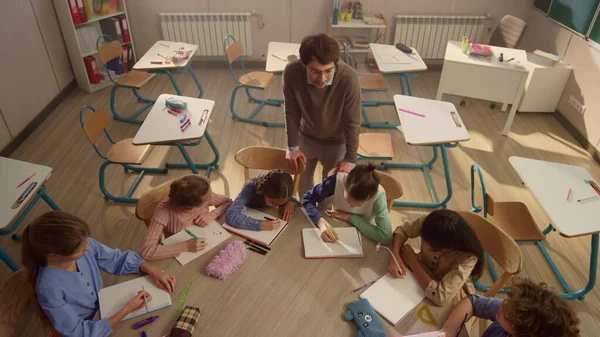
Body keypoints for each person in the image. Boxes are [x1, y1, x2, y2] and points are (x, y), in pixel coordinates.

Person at [22, 211, 176, 337]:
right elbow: (79, 332)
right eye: (80, 250)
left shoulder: (84, 244)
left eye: (86, 242)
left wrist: (152, 269)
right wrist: (125, 310)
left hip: (107, 308)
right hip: (92, 327)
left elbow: (117, 260)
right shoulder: (48, 288)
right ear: (54, 255)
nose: (87, 249)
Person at [283, 33, 361, 196]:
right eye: (315, 72)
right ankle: (307, 211)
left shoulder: (349, 78)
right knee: (302, 183)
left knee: (330, 190)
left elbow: (352, 122)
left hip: (336, 142)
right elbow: (292, 113)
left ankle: (323, 217)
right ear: (304, 65)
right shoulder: (291, 72)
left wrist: (350, 159)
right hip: (306, 137)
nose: (322, 79)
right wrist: (293, 147)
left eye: (328, 71)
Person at [387, 210, 484, 306]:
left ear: (448, 247)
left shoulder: (468, 257)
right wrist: (395, 255)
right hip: (419, 277)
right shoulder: (432, 224)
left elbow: (441, 297)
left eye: (431, 248)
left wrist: (413, 262)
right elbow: (403, 231)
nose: (425, 247)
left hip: (451, 297)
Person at [437, 278, 580, 337]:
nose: (503, 304)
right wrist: (448, 330)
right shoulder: (512, 313)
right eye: (510, 300)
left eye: (509, 315)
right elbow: (473, 302)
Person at [138, 175, 232, 261]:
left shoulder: (205, 195)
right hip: (181, 254)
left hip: (206, 242)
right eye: (208, 199)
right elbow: (146, 251)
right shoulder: (164, 210)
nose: (211, 196)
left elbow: (229, 202)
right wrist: (185, 246)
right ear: (190, 208)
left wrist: (213, 214)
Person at [302, 163, 392, 244]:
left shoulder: (378, 197)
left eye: (358, 204)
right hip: (336, 224)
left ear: (369, 198)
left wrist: (350, 217)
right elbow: (307, 199)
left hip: (365, 234)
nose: (351, 206)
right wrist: (320, 222)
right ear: (344, 183)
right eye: (347, 200)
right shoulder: (335, 182)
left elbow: (385, 237)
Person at [226, 169, 296, 230]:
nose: (276, 207)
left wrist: (291, 202)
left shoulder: (284, 192)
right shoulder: (250, 187)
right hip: (250, 216)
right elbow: (231, 215)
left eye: (280, 203)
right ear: (263, 191)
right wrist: (260, 224)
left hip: (270, 214)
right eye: (273, 202)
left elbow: (292, 198)